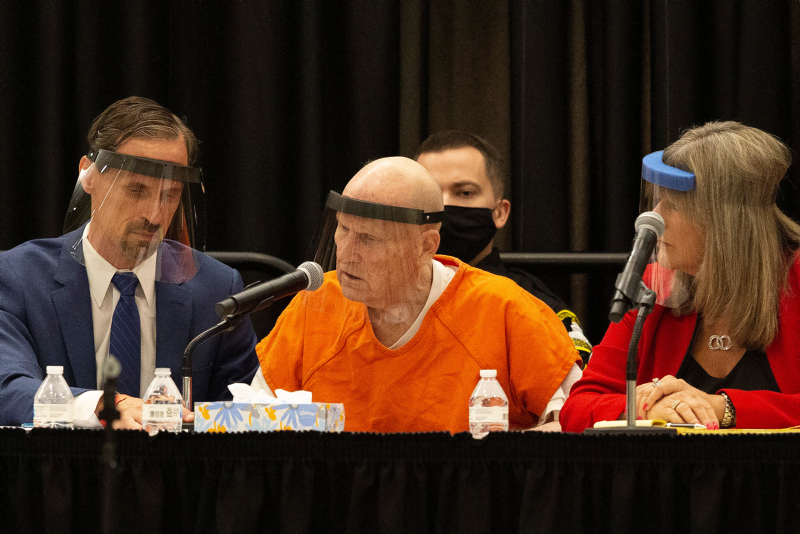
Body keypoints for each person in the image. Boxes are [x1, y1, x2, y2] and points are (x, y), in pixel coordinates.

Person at [254, 156, 582, 433]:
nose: (347, 253)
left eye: (369, 238)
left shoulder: (503, 308)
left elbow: (577, 424)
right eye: (343, 228)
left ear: (426, 246)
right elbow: (255, 422)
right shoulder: (316, 302)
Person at [0, 96, 259, 428]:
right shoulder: (18, 278)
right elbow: (8, 389)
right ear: (89, 176)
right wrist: (102, 407)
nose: (155, 215)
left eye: (170, 194)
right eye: (137, 190)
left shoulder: (218, 290)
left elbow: (245, 413)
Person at [560, 121, 800, 432]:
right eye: (657, 200)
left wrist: (723, 408)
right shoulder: (652, 285)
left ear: (724, 223)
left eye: (672, 205)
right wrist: (644, 408)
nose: (653, 217)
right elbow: (577, 408)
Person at [415, 131, 592, 364]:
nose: (444, 204)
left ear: (500, 212)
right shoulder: (378, 297)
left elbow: (576, 382)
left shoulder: (537, 308)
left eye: (465, 192)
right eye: (431, 193)